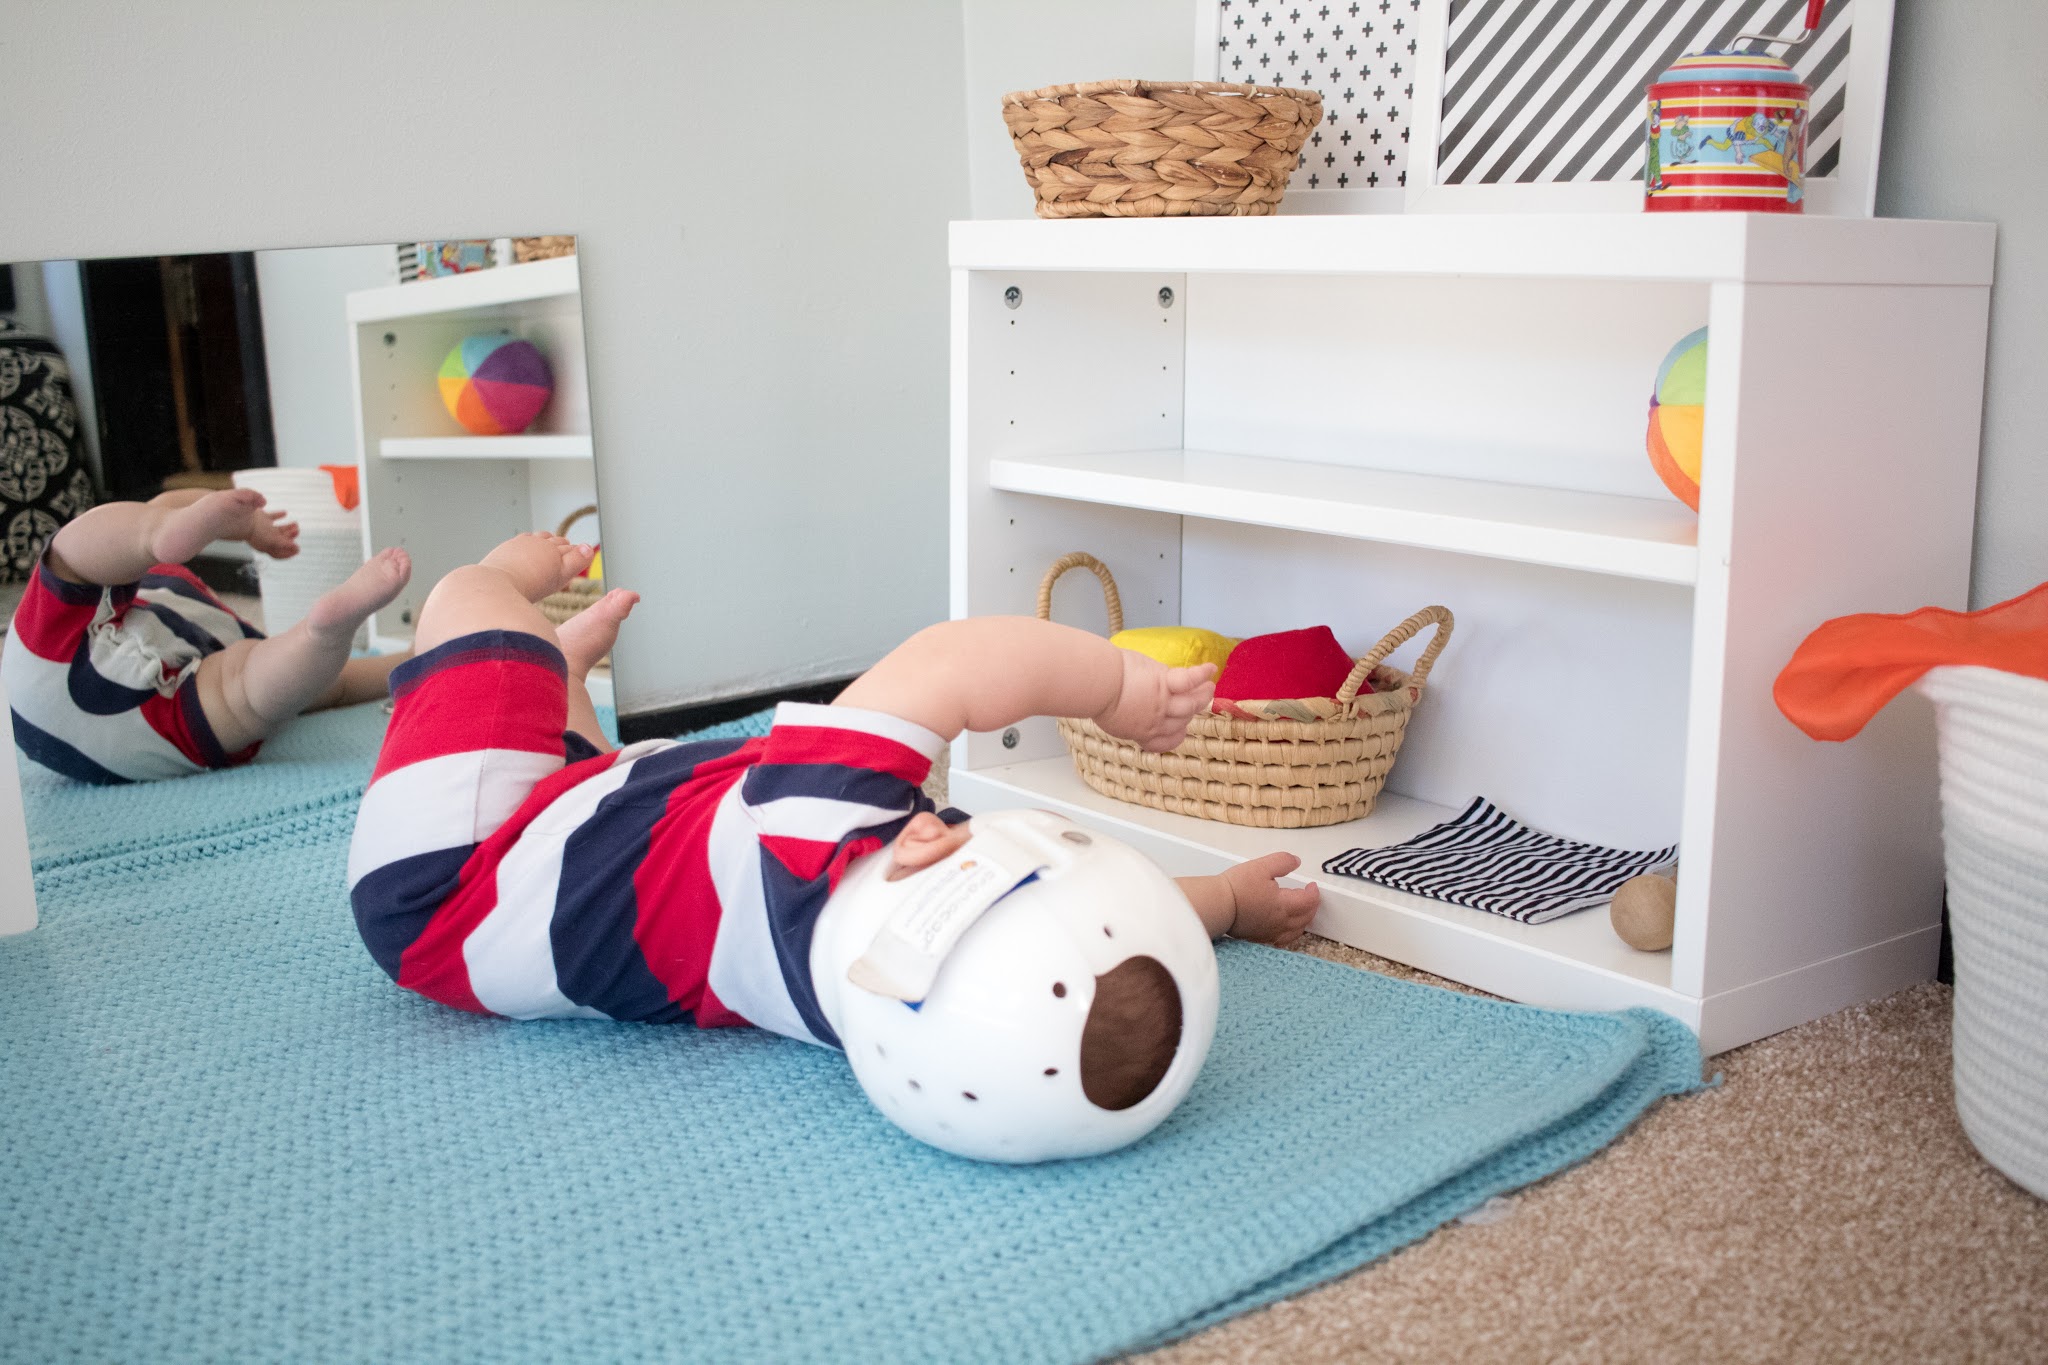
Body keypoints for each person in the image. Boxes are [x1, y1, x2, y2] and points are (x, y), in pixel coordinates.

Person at [347, 530, 1320, 1058]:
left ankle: (522, 591)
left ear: (935, 855)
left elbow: (951, 661)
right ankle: (558, 690)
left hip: (448, 883)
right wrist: (1225, 902)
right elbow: (1109, 920)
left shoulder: (821, 827)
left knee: (467, 611)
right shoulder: (872, 1008)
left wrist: (1121, 689)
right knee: (610, 803)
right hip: (585, 840)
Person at [3, 487, 410, 784]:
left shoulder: (150, 583)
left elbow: (163, 503)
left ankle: (157, 533)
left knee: (73, 554)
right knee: (248, 691)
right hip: (160, 720)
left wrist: (237, 524)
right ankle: (320, 636)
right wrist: (399, 662)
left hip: (42, 687)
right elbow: (336, 686)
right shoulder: (231, 639)